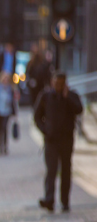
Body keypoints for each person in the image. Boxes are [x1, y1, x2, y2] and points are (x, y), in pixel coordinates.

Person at [35, 71, 83, 213]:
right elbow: (37, 116)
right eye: (56, 83)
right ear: (52, 82)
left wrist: (67, 97)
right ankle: (49, 199)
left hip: (66, 139)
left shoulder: (71, 95)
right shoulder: (46, 96)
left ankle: (65, 201)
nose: (58, 86)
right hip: (51, 140)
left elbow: (79, 110)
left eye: (61, 84)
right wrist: (45, 130)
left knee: (66, 170)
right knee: (51, 170)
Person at [0, 72, 16, 155]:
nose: (5, 81)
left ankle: (4, 146)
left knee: (4, 129)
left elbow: (14, 101)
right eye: (4, 79)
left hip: (6, 111)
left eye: (7, 79)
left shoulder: (10, 89)